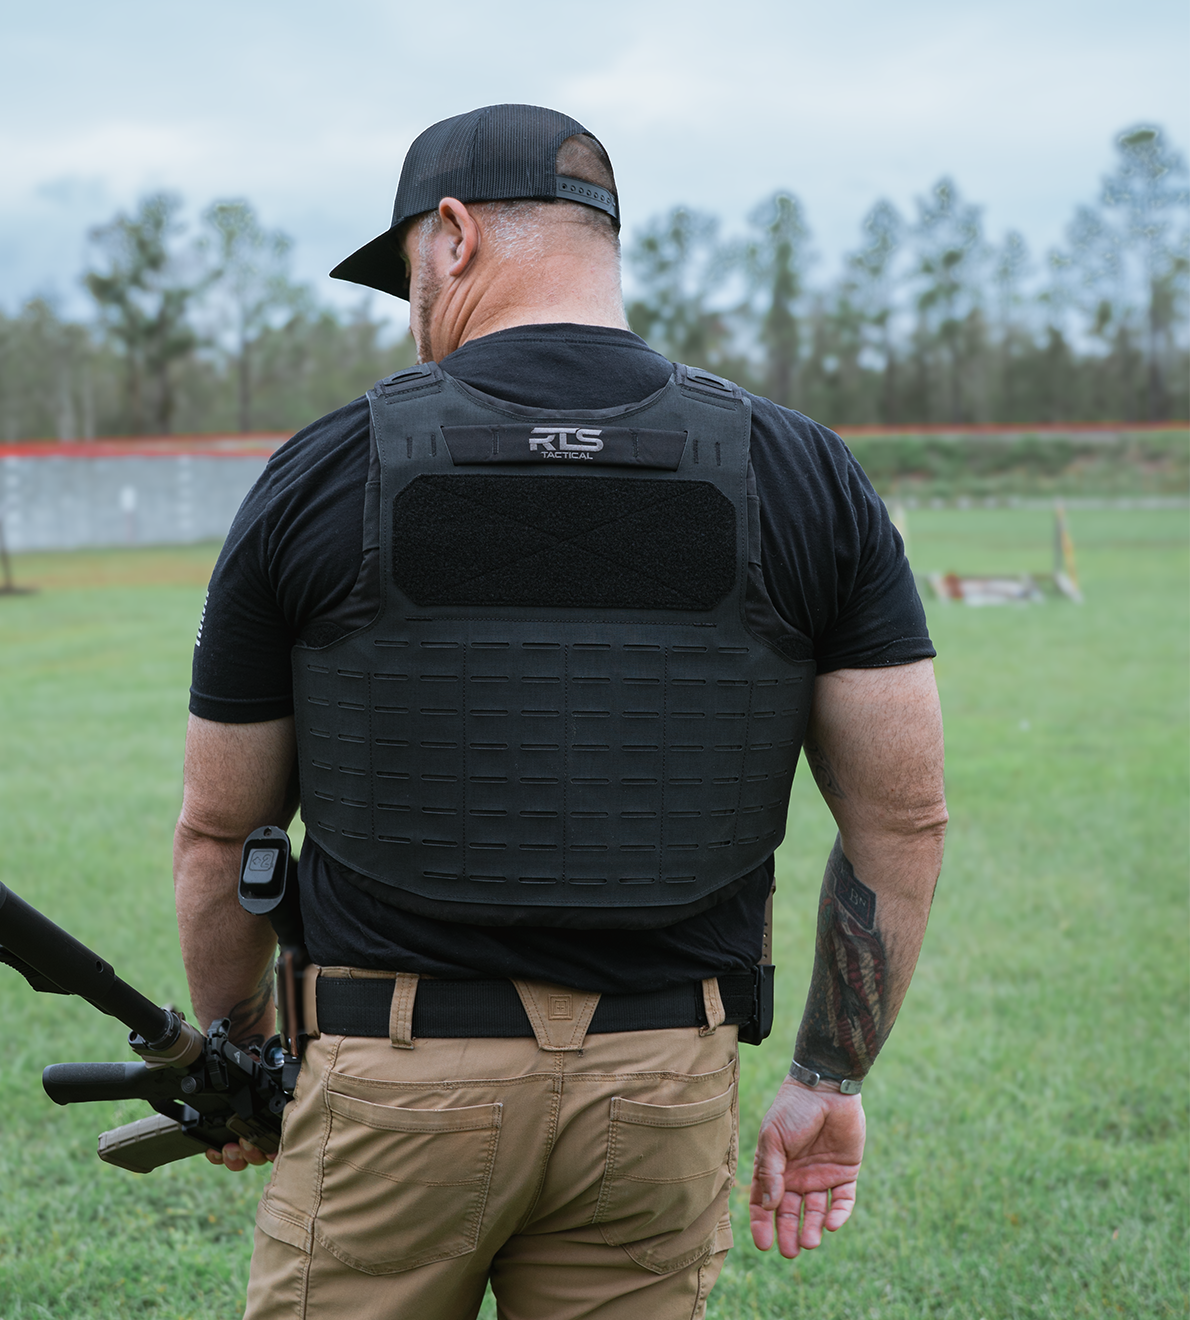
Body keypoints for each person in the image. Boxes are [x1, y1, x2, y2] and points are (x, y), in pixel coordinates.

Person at [174, 104, 947, 1320]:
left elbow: (222, 831)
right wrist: (829, 1072)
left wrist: (239, 1050)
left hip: (394, 1084)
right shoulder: (806, 473)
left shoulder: (323, 470)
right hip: (662, 1092)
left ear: (454, 234)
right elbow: (903, 819)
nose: (413, 306)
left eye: (409, 272)